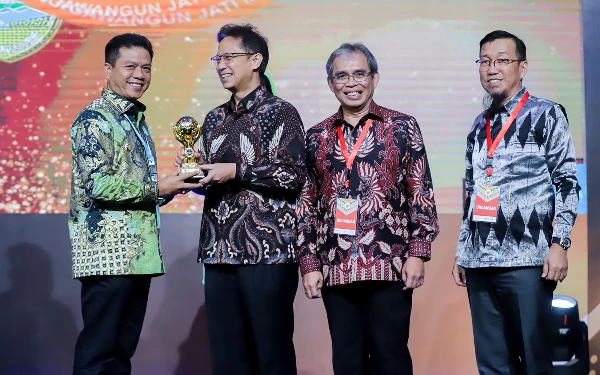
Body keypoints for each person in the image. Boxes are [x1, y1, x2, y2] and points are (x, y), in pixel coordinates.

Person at [298, 42, 440, 375]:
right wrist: (309, 263)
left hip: (390, 263)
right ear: (331, 83)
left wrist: (418, 253)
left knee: (390, 356)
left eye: (359, 74)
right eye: (341, 76)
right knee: (347, 361)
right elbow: (306, 205)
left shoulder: (402, 126)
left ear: (374, 77)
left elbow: (420, 191)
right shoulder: (316, 135)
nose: (351, 83)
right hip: (335, 265)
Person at [175, 23, 306, 375]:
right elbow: (214, 184)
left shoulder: (281, 113)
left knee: (271, 355)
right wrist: (197, 174)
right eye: (218, 58)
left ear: (256, 60)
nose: (221, 65)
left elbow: (293, 175)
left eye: (229, 56)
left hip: (267, 254)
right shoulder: (214, 118)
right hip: (219, 253)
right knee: (228, 357)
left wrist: (236, 170)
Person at [69, 33, 201, 375]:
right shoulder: (94, 119)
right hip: (108, 255)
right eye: (130, 66)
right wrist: (158, 185)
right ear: (108, 69)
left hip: (137, 255)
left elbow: (142, 192)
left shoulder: (135, 120)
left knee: (120, 351)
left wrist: (175, 183)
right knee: (100, 350)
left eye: (146, 67)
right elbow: (98, 184)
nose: (139, 74)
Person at [452, 30, 580, 375]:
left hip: (528, 262)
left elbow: (568, 183)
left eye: (502, 61)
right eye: (485, 61)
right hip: (480, 263)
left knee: (534, 361)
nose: (492, 69)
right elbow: (472, 194)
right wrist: (464, 252)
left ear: (522, 67)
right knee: (493, 365)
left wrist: (560, 242)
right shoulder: (479, 126)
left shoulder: (547, 114)